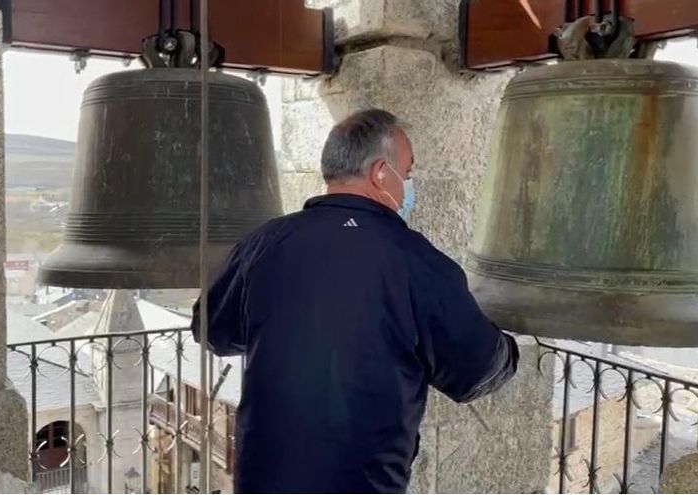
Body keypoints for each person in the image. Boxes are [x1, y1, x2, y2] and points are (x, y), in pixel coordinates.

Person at [192, 108, 518, 494]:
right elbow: (476, 371)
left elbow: (212, 330)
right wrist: (507, 347)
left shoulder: (264, 243)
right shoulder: (415, 261)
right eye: (408, 174)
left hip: (265, 477)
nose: (408, 186)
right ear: (382, 173)